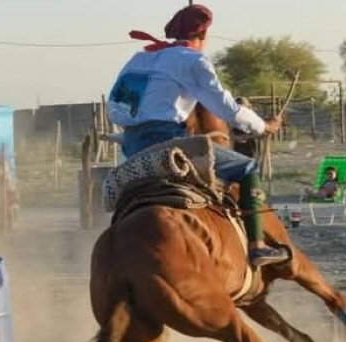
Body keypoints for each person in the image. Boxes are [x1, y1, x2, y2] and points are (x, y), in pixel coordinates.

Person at [107, 3, 288, 267]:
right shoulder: (193, 60)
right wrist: (263, 126)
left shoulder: (139, 58)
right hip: (169, 143)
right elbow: (226, 108)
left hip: (132, 146)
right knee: (247, 166)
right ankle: (257, 246)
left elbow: (116, 107)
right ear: (203, 35)